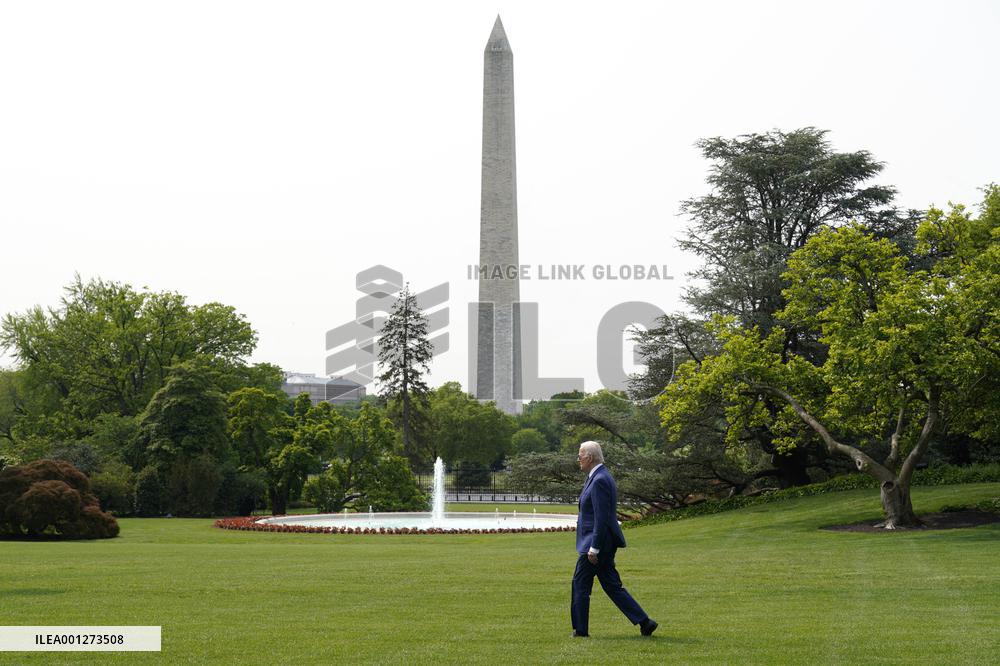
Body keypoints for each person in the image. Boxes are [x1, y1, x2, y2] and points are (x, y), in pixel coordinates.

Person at [571, 440, 657, 638]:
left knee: (580, 584)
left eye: (580, 455)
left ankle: (581, 630)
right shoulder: (597, 476)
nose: (578, 459)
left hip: (596, 543)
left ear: (589, 457)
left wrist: (594, 548)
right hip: (602, 542)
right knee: (611, 585)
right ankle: (645, 622)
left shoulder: (600, 479)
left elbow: (601, 518)